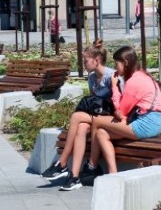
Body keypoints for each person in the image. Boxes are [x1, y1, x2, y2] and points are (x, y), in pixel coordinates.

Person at [85, 45, 161, 179]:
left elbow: (120, 111)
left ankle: (92, 166)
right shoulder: (142, 75)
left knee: (97, 120)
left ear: (126, 63)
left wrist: (114, 86)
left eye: (117, 63)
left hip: (146, 125)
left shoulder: (134, 81)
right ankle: (113, 175)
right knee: (101, 133)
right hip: (151, 122)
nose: (115, 67)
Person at [41, 40, 113, 190]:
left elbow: (118, 104)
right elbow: (93, 103)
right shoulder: (92, 78)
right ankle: (74, 176)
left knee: (76, 117)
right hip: (97, 118)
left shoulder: (111, 77)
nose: (83, 64)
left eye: (86, 61)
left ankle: (62, 163)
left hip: (111, 119)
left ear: (97, 60)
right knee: (80, 127)